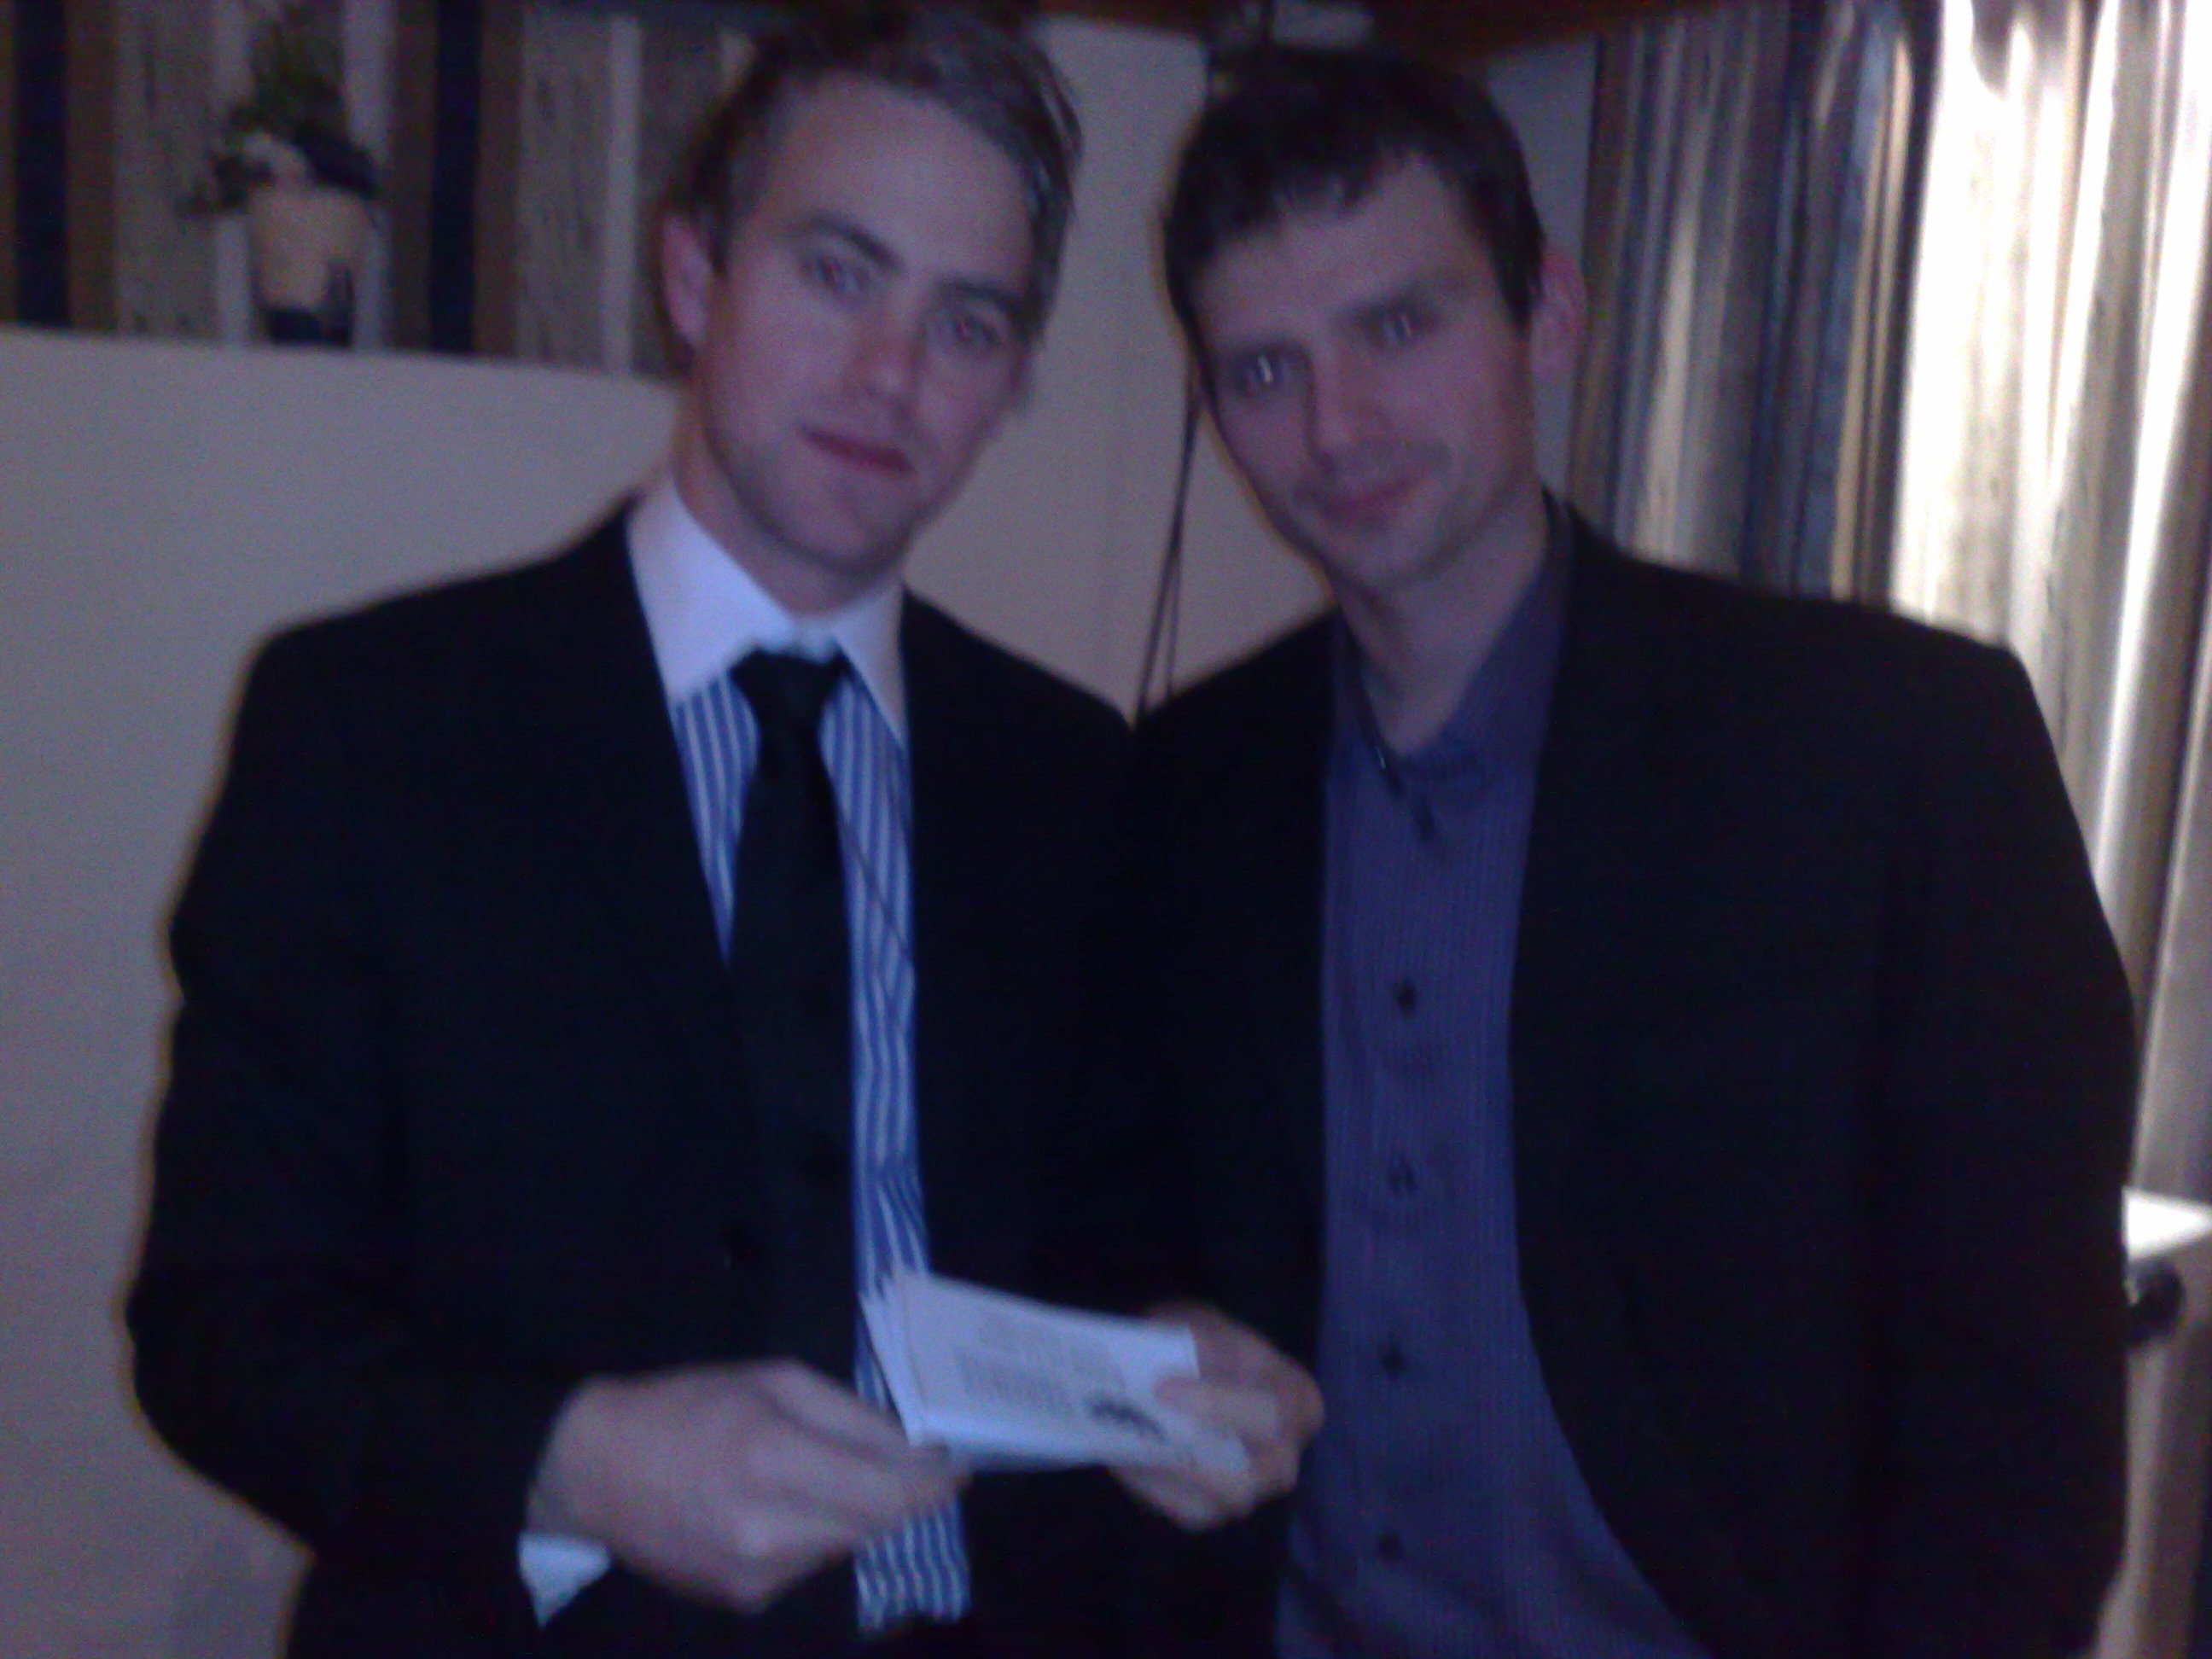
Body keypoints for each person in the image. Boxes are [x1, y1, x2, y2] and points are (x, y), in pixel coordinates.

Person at [127, 10, 1307, 1656]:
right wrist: (574, 1465)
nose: (892, 373)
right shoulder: (368, 729)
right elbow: (219, 1326)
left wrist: (1169, 1357)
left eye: (967, 322)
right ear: (695, 278)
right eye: (837, 273)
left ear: (1012, 382)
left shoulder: (1068, 773)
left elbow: (1116, 1228)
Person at [1133, 44, 2137, 1659]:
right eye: (1264, 369)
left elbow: (2018, 1427)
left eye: (1398, 326)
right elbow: (1137, 1226)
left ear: (1549, 314)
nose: (1336, 423)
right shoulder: (1185, 783)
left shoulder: (1891, 750)